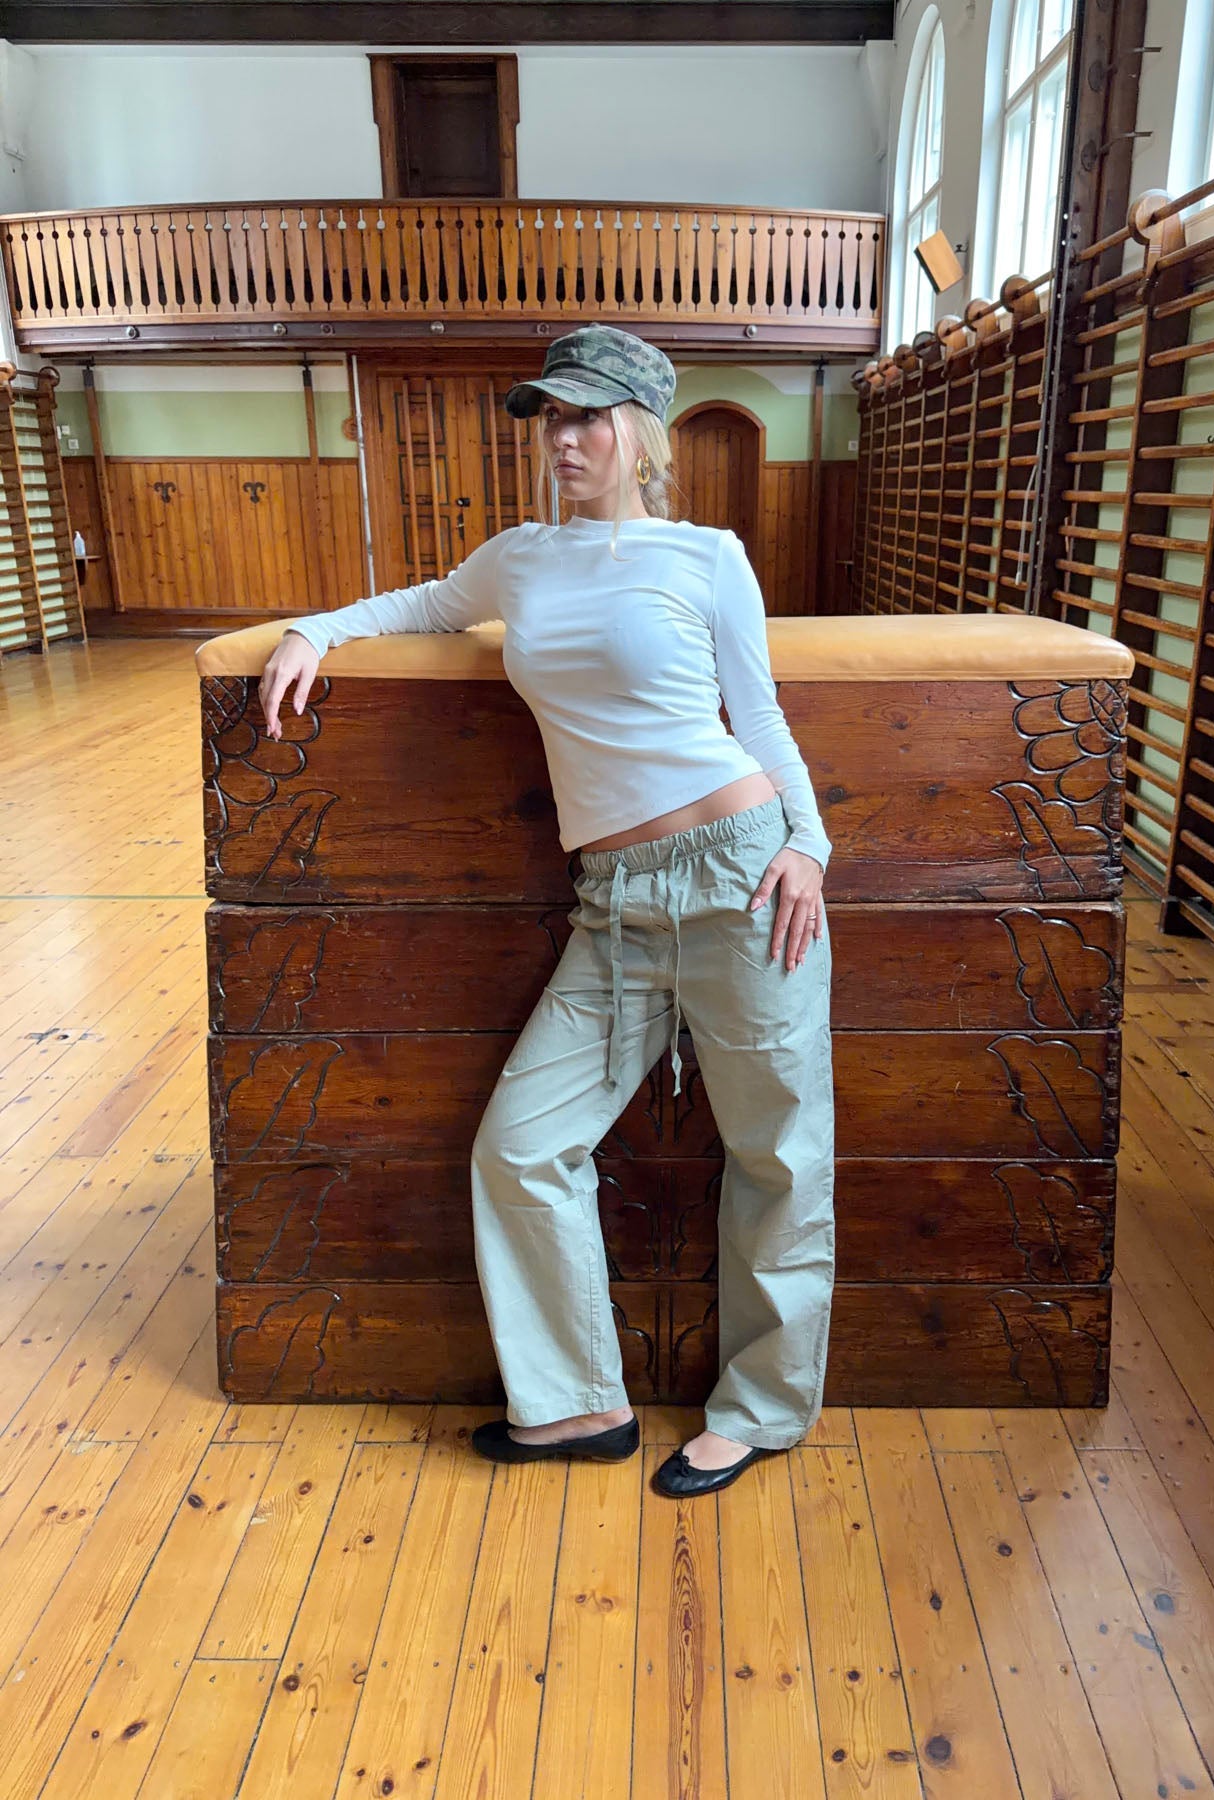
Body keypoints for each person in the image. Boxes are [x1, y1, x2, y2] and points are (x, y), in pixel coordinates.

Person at [259, 323, 835, 1498]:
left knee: (777, 1154)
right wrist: (314, 629)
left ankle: (761, 1411)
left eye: (585, 418)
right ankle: (578, 1403)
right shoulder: (518, 560)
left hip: (740, 874)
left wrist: (810, 846)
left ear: (639, 433)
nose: (562, 439)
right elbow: (421, 604)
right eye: (550, 418)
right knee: (521, 1145)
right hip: (612, 903)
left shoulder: (706, 555)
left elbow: (760, 715)